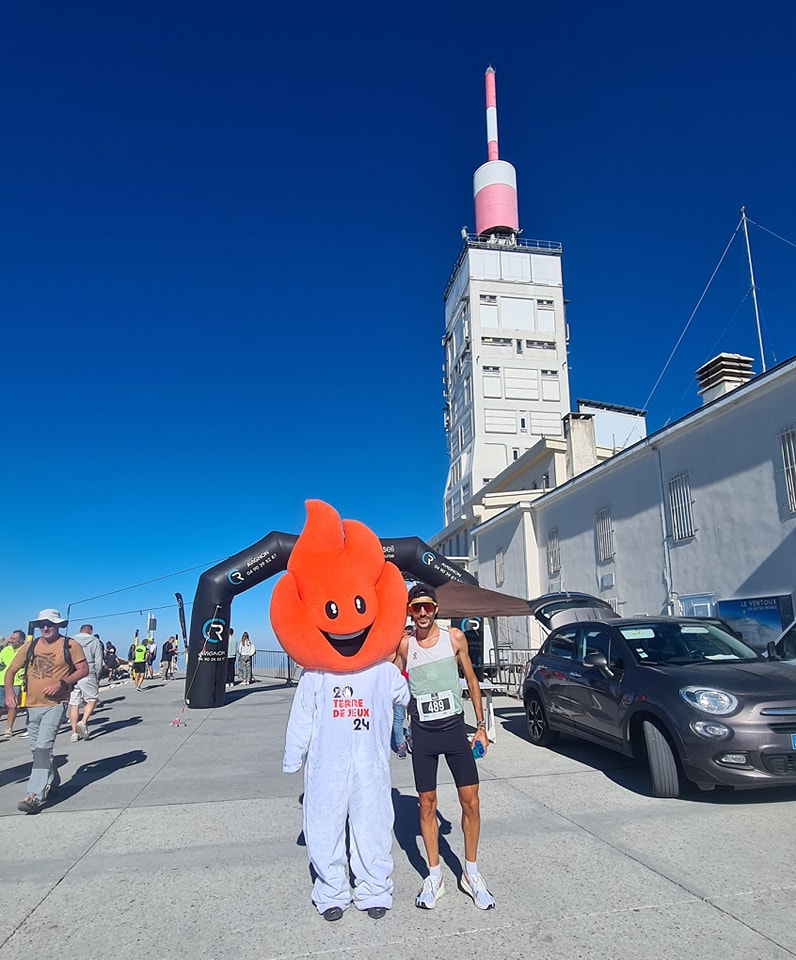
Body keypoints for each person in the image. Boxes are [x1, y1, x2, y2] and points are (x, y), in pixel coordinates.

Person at [396, 583, 495, 911]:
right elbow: (387, 681)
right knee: (426, 805)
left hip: (453, 730)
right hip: (423, 733)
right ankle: (435, 875)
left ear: (436, 608)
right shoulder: (405, 644)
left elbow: (471, 679)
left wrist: (481, 727)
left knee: (472, 803)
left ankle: (471, 873)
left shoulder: (455, 638)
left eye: (426, 606)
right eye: (415, 608)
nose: (421, 612)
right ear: (409, 611)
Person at [4, 609, 88, 814]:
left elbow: (83, 669)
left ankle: (34, 795)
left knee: (42, 747)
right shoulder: (30, 645)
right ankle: (52, 781)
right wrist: (8, 693)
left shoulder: (69, 645)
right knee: (36, 750)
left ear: (58, 625)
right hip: (32, 705)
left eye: (50, 623)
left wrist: (63, 682)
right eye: (42, 624)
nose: (46, 627)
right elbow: (10, 671)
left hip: (55, 704)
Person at [68, 624, 103, 742]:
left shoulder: (71, 640)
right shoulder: (95, 641)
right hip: (88, 672)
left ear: (80, 630)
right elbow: (98, 660)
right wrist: (97, 676)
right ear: (90, 631)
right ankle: (83, 722)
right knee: (92, 699)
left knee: (74, 703)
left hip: (73, 674)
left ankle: (73, 733)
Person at [0, 630, 27, 739]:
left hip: (16, 682)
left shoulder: (25, 650)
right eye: (11, 638)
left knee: (12, 705)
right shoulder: (5, 650)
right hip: (1, 681)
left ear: (21, 640)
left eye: (14, 638)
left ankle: (9, 727)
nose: (11, 640)